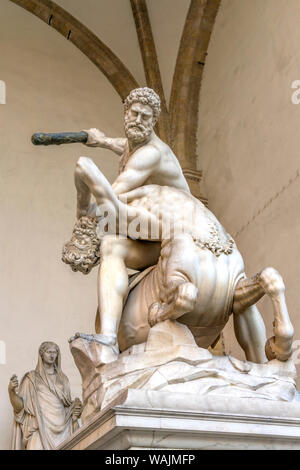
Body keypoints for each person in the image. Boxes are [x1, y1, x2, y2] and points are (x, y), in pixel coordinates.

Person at [71, 88, 191, 360]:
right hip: (157, 233)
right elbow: (121, 144)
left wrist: (86, 210)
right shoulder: (133, 144)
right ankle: (108, 338)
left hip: (178, 226)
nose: (138, 120)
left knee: (90, 178)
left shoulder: (151, 154)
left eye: (145, 117)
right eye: (134, 114)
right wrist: (100, 140)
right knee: (112, 246)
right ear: (126, 114)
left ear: (153, 122)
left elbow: (113, 194)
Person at [8, 342, 82, 450]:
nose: (52, 355)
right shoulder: (31, 378)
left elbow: (67, 406)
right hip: (38, 426)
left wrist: (75, 410)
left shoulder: (63, 380)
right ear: (41, 354)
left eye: (55, 352)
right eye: (49, 352)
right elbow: (20, 408)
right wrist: (11, 391)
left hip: (62, 429)